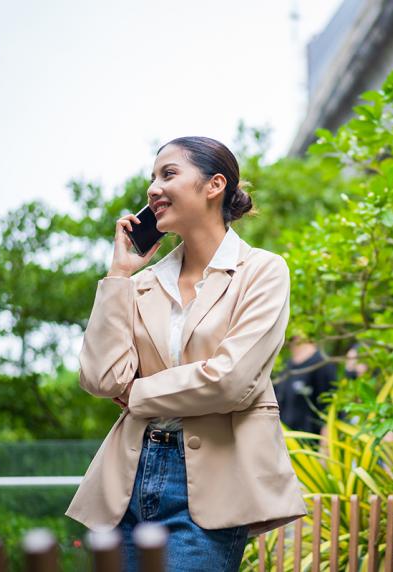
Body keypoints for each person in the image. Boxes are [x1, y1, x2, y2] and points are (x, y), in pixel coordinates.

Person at [65, 136, 307, 572]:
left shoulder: (262, 271)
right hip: (128, 478)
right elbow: (101, 379)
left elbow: (230, 381)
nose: (153, 189)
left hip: (213, 483)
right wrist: (119, 274)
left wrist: (137, 394)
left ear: (215, 185)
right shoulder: (142, 283)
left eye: (169, 174)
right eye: (152, 178)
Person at [273, 335, 338, 434]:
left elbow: (330, 406)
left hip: (310, 439)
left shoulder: (321, 364)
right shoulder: (285, 366)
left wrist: (326, 437)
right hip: (285, 437)